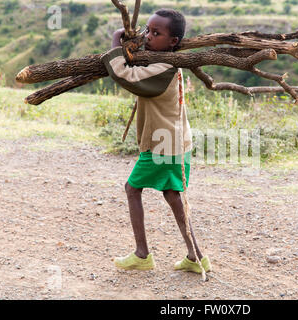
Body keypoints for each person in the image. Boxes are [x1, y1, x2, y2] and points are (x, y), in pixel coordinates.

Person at [100, 8, 211, 275]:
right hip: (175, 142)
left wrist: (116, 42)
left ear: (173, 42)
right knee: (173, 196)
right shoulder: (166, 62)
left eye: (156, 33)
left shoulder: (164, 69)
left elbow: (128, 76)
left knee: (132, 188)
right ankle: (196, 257)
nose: (148, 36)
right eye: (147, 30)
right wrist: (134, 41)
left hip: (164, 145)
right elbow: (140, 64)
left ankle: (142, 255)